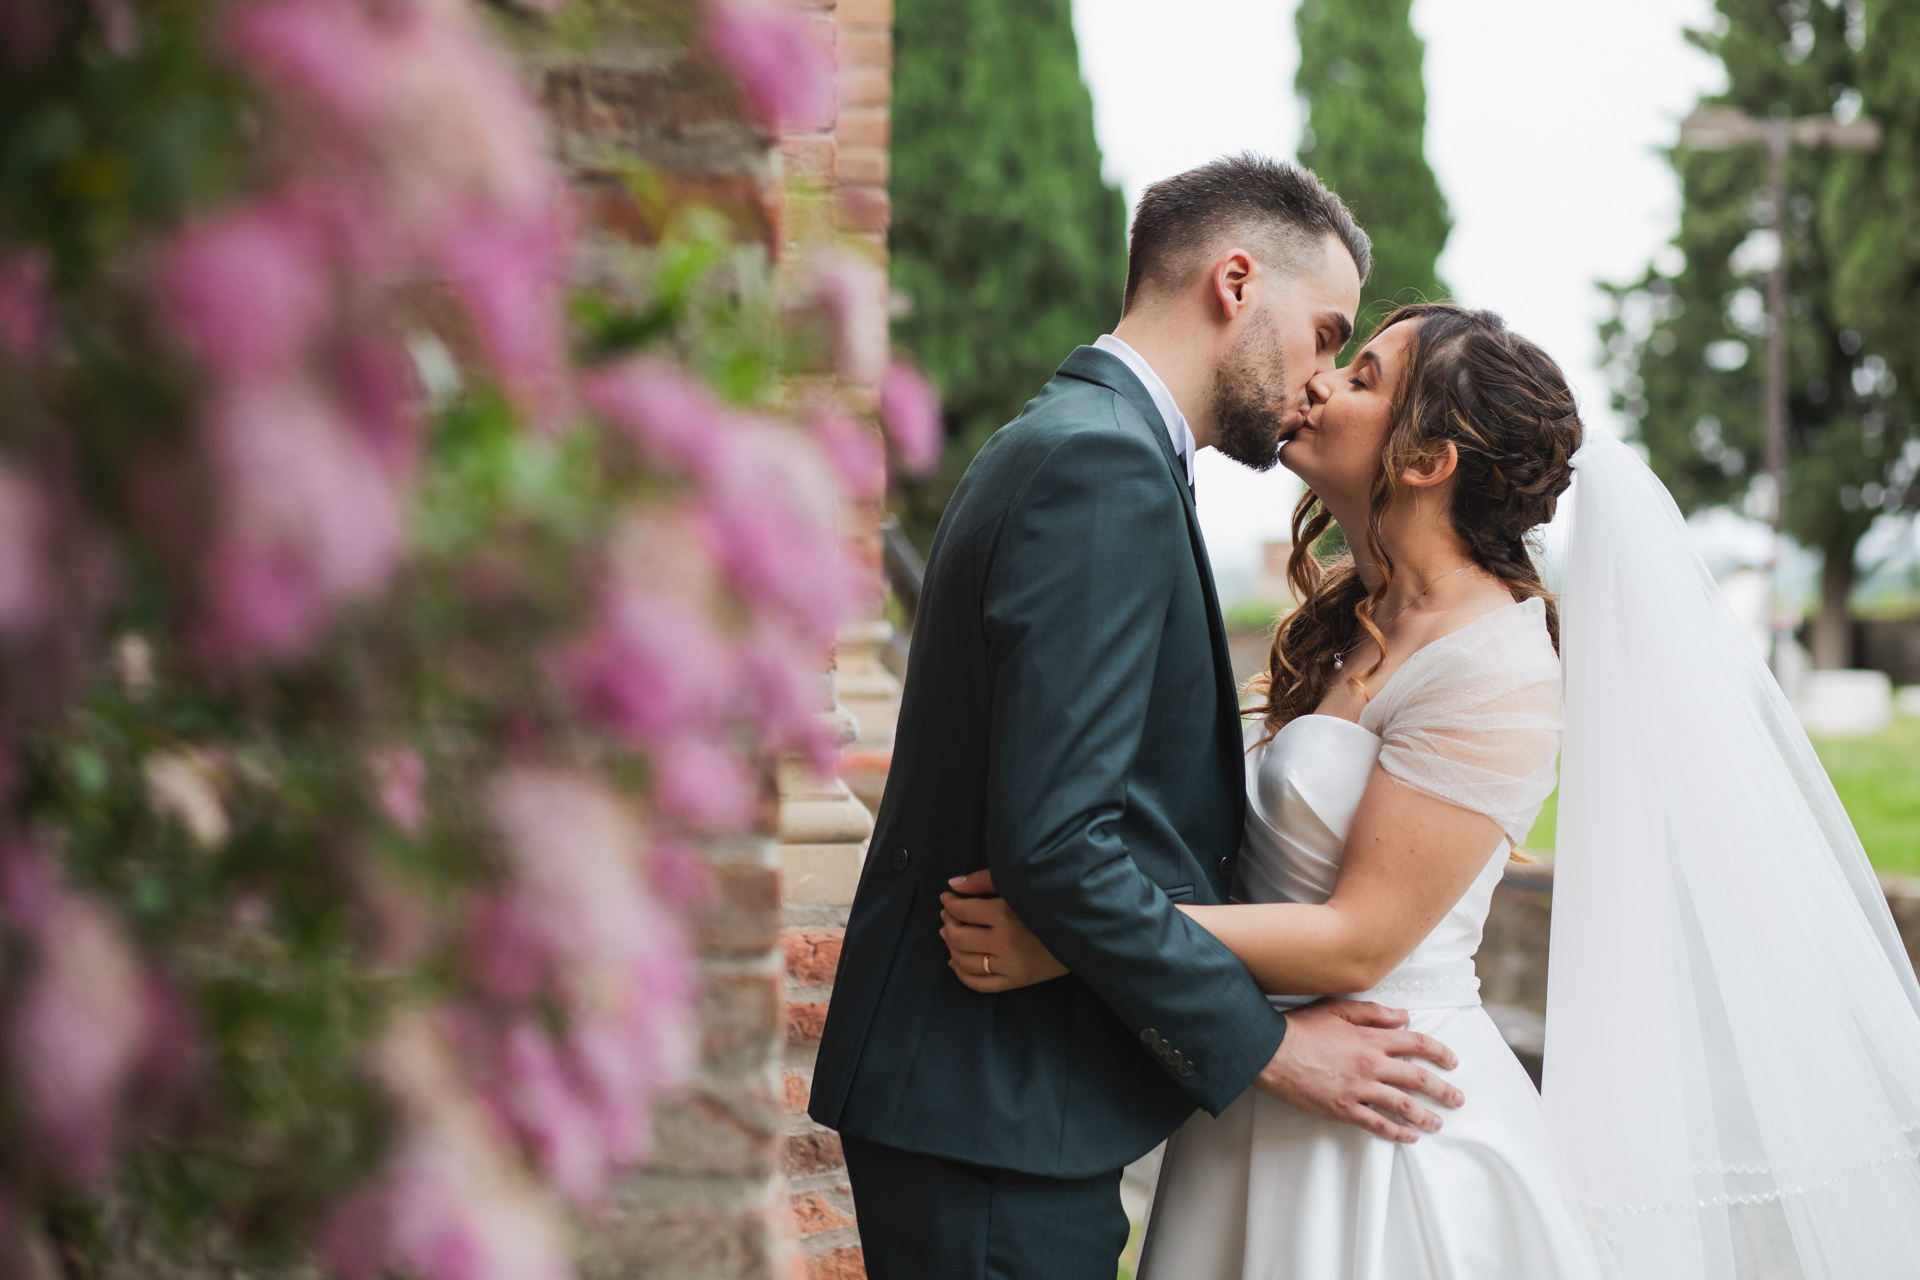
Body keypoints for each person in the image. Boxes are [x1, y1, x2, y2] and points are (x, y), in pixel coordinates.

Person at [946, 303, 1920, 1278]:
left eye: (1364, 377)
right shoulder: (1354, 625)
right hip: (1268, 1086)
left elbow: (1358, 936)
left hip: (1385, 1119)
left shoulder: (1495, 668)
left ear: (1429, 460)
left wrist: (1078, 936)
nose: (1320, 381)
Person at [808, 156, 1464, 1280]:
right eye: (1324, 331)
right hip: (993, 1111)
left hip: (997, 1098)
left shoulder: (1086, 441)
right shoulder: (1103, 467)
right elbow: (1059, 845)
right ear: (1236, 280)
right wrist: (1272, 1048)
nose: (1320, 380)